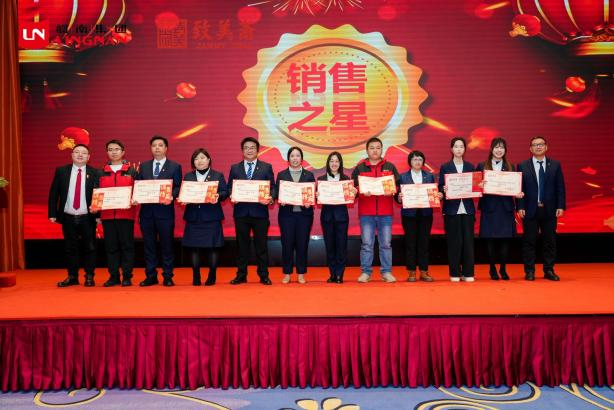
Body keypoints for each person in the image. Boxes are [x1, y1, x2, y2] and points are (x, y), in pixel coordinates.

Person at [48, 144, 100, 287]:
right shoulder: (61, 171)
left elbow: (98, 195)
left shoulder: (95, 172)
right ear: (71, 155)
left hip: (87, 217)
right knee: (70, 248)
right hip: (68, 216)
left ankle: (89, 276)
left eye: (84, 153)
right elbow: (54, 193)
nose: (80, 155)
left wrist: (98, 215)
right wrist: (52, 213)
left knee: (90, 247)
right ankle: (72, 277)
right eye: (77, 152)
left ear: (88, 157)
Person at [227, 137, 275, 285]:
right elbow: (229, 187)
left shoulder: (266, 167)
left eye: (252, 147)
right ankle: (241, 275)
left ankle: (264, 275)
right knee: (242, 246)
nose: (249, 150)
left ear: (257, 150)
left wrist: (270, 198)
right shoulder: (235, 168)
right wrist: (232, 195)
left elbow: (273, 187)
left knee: (261, 246)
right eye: (246, 148)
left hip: (260, 213)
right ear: (242, 151)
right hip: (241, 213)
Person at [135, 136, 182, 287]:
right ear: (151, 148)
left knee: (167, 246)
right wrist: (136, 196)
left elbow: (178, 186)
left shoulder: (175, 166)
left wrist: (171, 196)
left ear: (166, 148)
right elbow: (139, 185)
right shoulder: (143, 166)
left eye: (160, 145)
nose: (157, 148)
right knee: (149, 246)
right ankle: (151, 276)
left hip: (165, 213)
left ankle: (168, 276)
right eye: (154, 145)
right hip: (147, 213)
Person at [517, 136, 565, 281]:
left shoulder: (555, 165)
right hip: (530, 209)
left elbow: (560, 187)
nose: (538, 147)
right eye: (535, 145)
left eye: (541, 144)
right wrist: (520, 206)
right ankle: (529, 271)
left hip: (550, 210)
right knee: (529, 241)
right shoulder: (523, 165)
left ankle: (549, 270)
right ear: (530, 148)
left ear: (546, 147)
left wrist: (560, 206)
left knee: (550, 241)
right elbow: (519, 188)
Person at [351, 137, 400, 283]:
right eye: (372, 148)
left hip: (385, 212)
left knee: (386, 244)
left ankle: (386, 272)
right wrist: (360, 191)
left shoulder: (390, 167)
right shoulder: (360, 168)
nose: (375, 150)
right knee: (367, 244)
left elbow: (397, 186)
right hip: (366, 213)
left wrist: (392, 191)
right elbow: (353, 189)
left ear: (382, 149)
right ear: (367, 150)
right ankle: (366, 272)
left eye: (378, 148)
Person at [179, 149, 228, 286]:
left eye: (202, 158)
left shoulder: (217, 175)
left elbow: (225, 192)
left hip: (211, 217)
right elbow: (183, 193)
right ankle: (196, 275)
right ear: (193, 162)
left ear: (208, 160)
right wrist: (183, 198)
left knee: (213, 247)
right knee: (193, 247)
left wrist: (218, 196)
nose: (199, 161)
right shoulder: (188, 176)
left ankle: (212, 275)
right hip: (193, 217)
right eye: (196, 159)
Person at [477, 138, 523, 281]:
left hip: (505, 208)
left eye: (501, 147)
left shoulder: (511, 166)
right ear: (491, 149)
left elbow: (515, 187)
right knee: (489, 240)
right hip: (489, 208)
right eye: (496, 147)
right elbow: (475, 187)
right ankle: (492, 268)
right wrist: (478, 186)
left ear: (505, 150)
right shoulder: (482, 166)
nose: (499, 150)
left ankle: (503, 269)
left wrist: (518, 194)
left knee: (505, 240)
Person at [97, 139, 137, 287]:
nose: (113, 152)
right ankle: (113, 276)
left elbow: (138, 191)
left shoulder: (131, 171)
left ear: (123, 152)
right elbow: (95, 194)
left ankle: (127, 276)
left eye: (116, 149)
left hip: (126, 216)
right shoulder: (100, 172)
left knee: (127, 247)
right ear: (107, 152)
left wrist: (136, 199)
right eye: (110, 149)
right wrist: (96, 212)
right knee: (111, 248)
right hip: (107, 217)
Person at [396, 151, 440, 282]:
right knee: (410, 243)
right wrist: (399, 197)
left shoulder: (429, 176)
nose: (417, 162)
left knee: (424, 243)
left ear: (423, 162)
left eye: (420, 159)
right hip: (409, 215)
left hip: (425, 214)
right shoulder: (402, 177)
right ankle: (411, 272)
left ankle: (424, 271)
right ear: (410, 162)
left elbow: (433, 193)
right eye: (415, 159)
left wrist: (437, 196)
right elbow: (397, 196)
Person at [275, 147, 315, 284]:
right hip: (286, 215)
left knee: (302, 244)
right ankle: (287, 273)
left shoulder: (309, 175)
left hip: (304, 216)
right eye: (292, 156)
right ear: (288, 159)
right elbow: (277, 193)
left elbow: (312, 194)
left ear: (301, 159)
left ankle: (301, 273)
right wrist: (280, 198)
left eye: (298, 156)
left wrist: (310, 202)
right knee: (287, 244)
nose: (295, 158)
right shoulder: (282, 175)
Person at [439, 137, 477, 282]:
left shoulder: (470, 166)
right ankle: (455, 273)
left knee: (468, 242)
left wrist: (479, 186)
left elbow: (475, 187)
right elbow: (440, 187)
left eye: (461, 146)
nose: (459, 149)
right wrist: (443, 189)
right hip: (451, 210)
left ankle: (468, 273)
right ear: (451, 149)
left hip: (467, 209)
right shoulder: (445, 167)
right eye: (456, 146)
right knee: (454, 242)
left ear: (465, 149)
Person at [317, 152, 356, 284]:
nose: (334, 164)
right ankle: (332, 273)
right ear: (328, 163)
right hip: (327, 217)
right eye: (331, 161)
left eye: (336, 161)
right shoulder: (321, 179)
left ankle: (340, 274)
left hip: (341, 217)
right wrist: (317, 195)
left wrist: (353, 193)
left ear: (340, 164)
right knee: (330, 246)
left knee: (341, 245)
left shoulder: (346, 179)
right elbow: (318, 199)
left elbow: (350, 197)